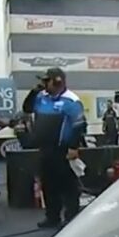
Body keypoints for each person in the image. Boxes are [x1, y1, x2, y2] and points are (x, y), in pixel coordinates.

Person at [21, 67, 86, 228]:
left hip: (62, 150)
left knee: (68, 185)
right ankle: (52, 217)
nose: (43, 84)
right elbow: (27, 108)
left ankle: (71, 217)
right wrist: (35, 90)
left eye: (46, 81)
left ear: (57, 81)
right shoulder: (42, 97)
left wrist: (73, 147)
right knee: (49, 185)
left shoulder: (71, 100)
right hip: (45, 148)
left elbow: (79, 125)